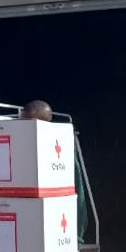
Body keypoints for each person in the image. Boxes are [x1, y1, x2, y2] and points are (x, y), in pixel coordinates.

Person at [19, 100, 88, 243]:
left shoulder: (59, 144)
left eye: (31, 121)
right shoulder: (19, 141)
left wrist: (76, 237)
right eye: (24, 120)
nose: (26, 126)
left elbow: (78, 195)